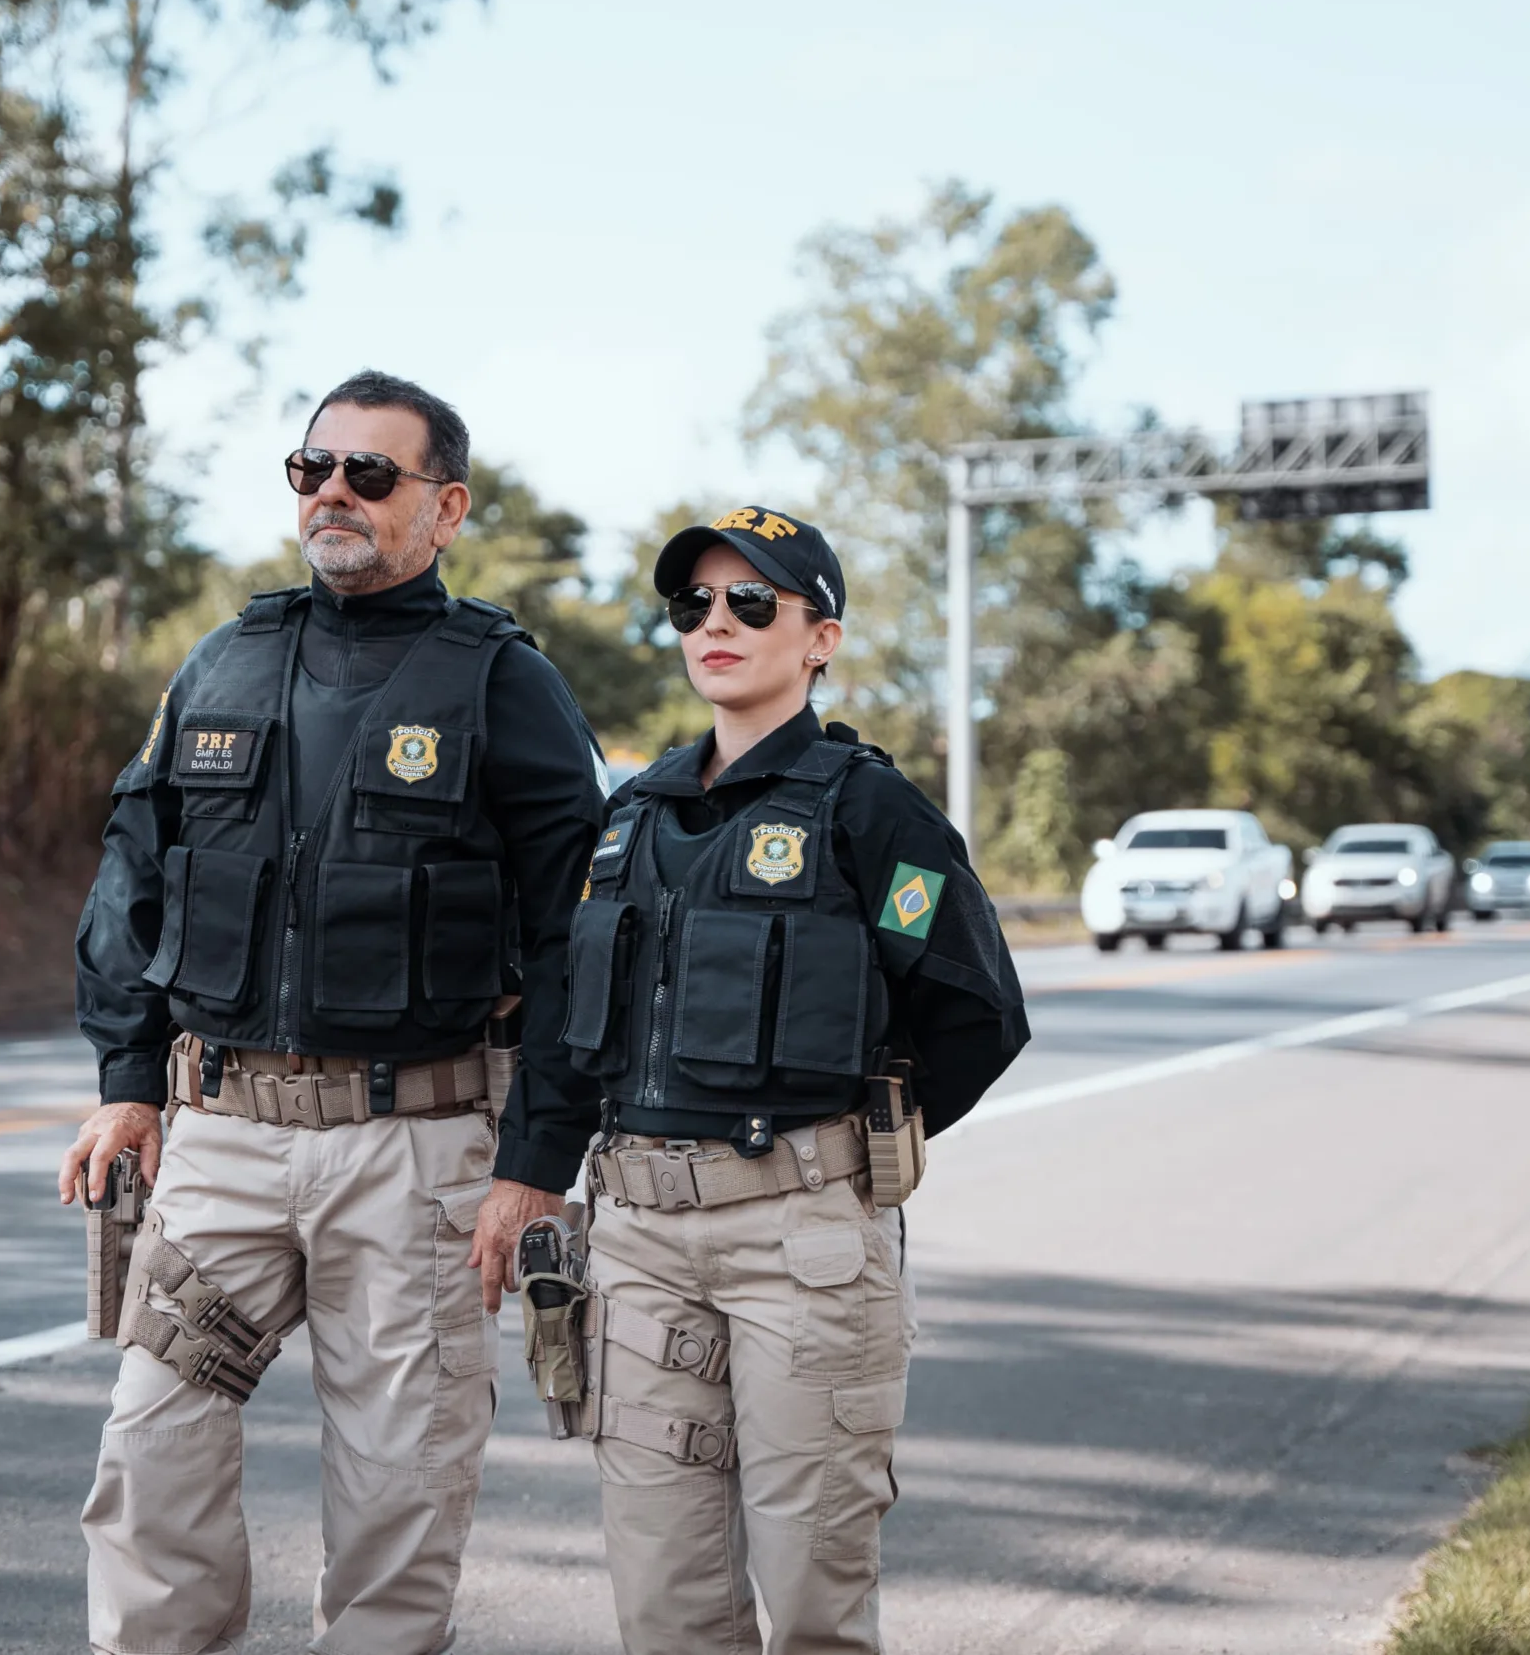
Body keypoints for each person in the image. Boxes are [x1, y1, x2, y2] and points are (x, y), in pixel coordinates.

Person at [62, 370, 604, 1655]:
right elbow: (131, 880)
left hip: (414, 1151)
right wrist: (128, 1081)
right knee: (151, 1449)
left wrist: (534, 1164)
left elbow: (580, 938)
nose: (335, 495)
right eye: (313, 469)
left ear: (445, 506)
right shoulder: (223, 660)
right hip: (224, 1142)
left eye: (372, 473)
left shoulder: (503, 683)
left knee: (397, 1496)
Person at [554, 507, 1030, 1655]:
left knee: (814, 1600)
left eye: (750, 602)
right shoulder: (631, 819)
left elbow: (975, 1010)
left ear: (819, 637)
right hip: (640, 1244)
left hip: (800, 1245)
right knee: (664, 1601)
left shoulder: (869, 810)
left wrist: (855, 1136)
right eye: (693, 605)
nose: (715, 623)